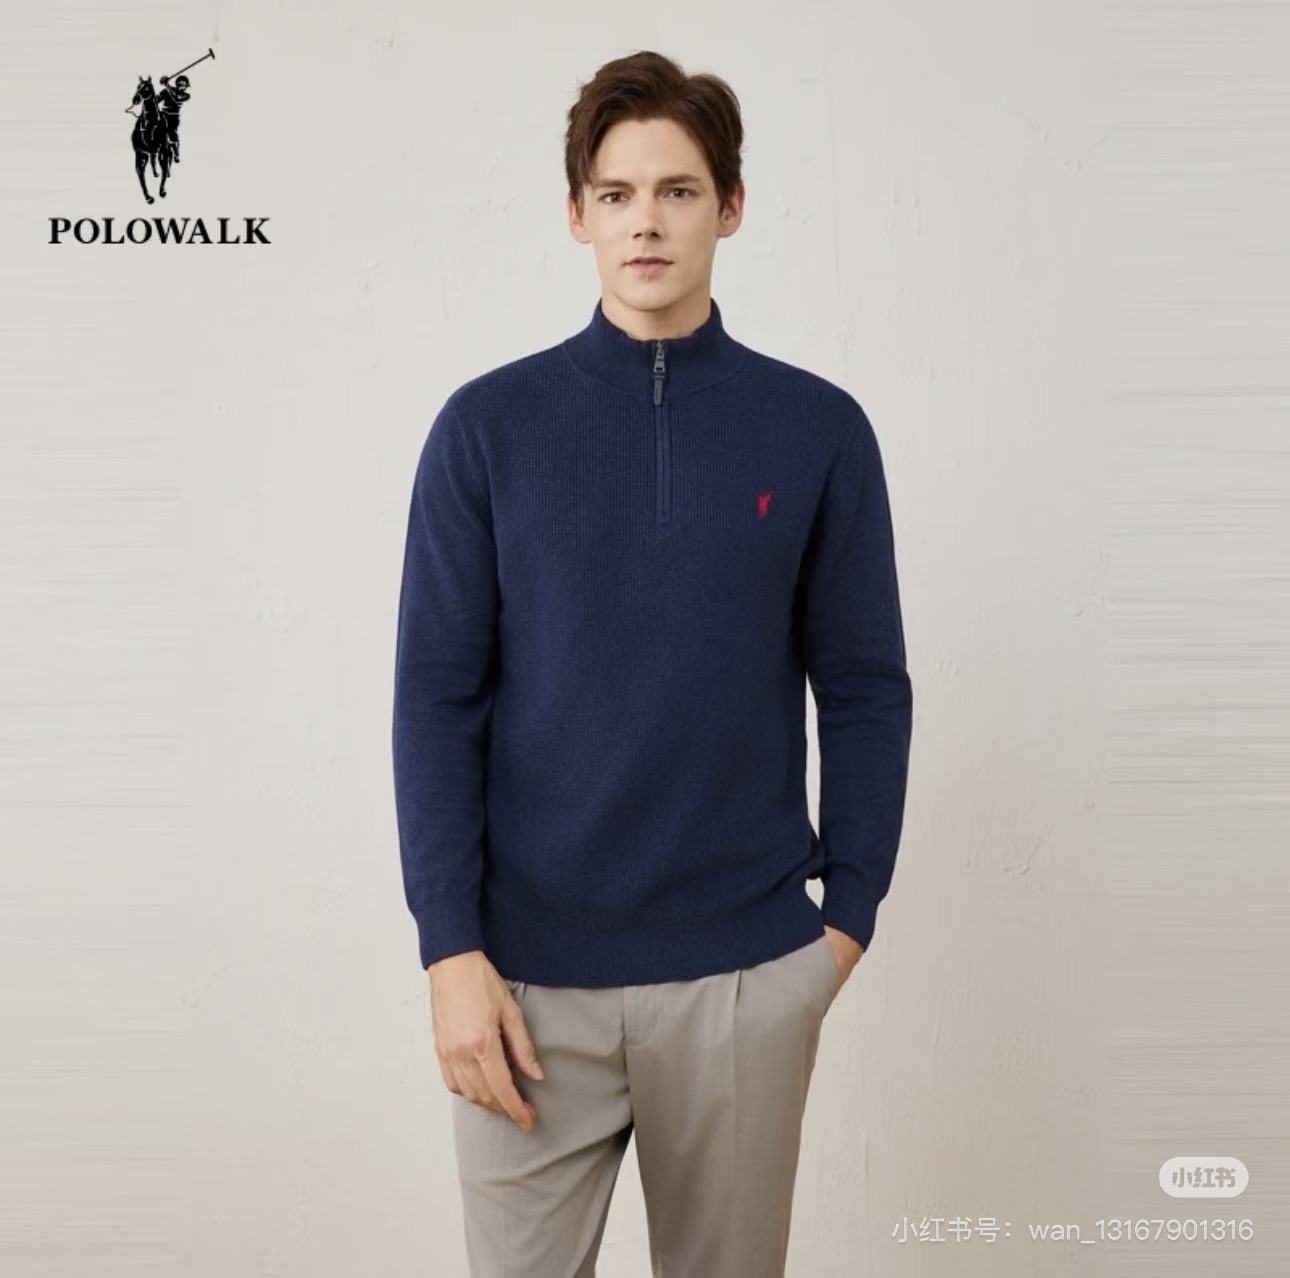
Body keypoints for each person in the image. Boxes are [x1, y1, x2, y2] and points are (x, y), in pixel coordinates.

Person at [392, 48, 913, 1278]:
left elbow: (864, 687)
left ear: (730, 207)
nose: (646, 222)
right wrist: (449, 952)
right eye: (617, 194)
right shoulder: (486, 431)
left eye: (678, 191)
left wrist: (846, 920)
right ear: (577, 214)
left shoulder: (818, 430)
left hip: (743, 979)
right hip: (522, 989)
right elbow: (436, 702)